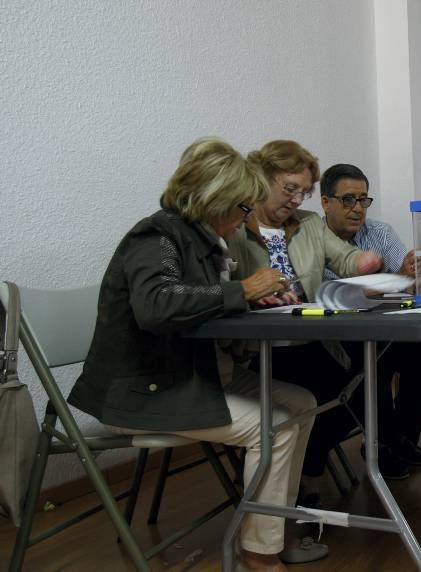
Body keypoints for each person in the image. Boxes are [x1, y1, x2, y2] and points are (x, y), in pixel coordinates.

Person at [67, 137, 323, 571]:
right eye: (242, 208)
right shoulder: (157, 235)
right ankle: (260, 552)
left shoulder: (201, 241)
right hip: (143, 389)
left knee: (304, 403)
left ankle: (273, 525)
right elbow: (157, 305)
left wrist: (242, 298)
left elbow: (200, 300)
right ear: (213, 199)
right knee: (276, 426)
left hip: (191, 375)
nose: (246, 219)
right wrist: (240, 290)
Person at [228, 141, 405, 510]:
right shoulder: (233, 226)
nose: (297, 200)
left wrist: (365, 263)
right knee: (327, 391)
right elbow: (217, 286)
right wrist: (247, 291)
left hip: (306, 340)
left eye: (303, 191)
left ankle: (305, 477)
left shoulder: (308, 224)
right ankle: (287, 486)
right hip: (252, 351)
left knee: (358, 390)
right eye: (289, 188)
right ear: (261, 181)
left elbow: (344, 257)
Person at [319, 163, 421, 476]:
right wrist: (393, 280)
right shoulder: (313, 239)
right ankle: (382, 445)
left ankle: (398, 441)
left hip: (385, 330)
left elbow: (406, 285)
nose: (357, 208)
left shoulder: (380, 232)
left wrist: (410, 273)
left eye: (363, 199)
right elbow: (334, 294)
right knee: (374, 362)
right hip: (335, 337)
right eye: (348, 200)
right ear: (325, 201)